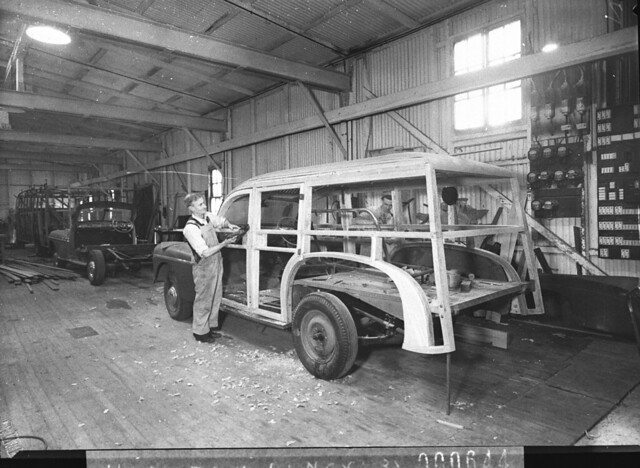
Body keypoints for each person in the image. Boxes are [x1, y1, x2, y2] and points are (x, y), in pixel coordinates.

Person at [182, 192, 240, 343]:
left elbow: (219, 221)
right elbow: (204, 252)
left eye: (203, 203)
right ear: (191, 208)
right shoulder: (190, 228)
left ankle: (211, 327)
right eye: (200, 204)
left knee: (215, 296)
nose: (204, 206)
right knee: (204, 299)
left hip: (216, 262)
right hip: (204, 266)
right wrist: (224, 244)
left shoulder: (206, 217)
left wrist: (229, 225)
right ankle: (200, 332)